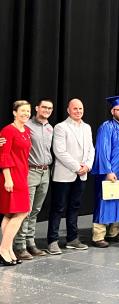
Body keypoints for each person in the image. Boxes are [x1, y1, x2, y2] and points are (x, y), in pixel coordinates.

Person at [47, 99, 94, 254]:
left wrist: (87, 166)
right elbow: (59, 151)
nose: (78, 111)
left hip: (82, 175)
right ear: (68, 110)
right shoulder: (61, 127)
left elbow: (91, 149)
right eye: (75, 109)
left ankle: (72, 239)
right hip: (64, 175)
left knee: (74, 207)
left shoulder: (87, 127)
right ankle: (52, 241)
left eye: (80, 108)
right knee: (58, 207)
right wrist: (77, 167)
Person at [91, 95, 119, 248]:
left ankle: (114, 233)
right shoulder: (106, 127)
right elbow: (102, 151)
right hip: (111, 171)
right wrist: (108, 171)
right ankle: (98, 236)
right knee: (105, 201)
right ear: (112, 111)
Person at [14, 98, 54, 260]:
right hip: (30, 171)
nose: (47, 110)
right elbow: (12, 136)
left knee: (36, 210)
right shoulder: (26, 125)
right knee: (26, 210)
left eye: (50, 108)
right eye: (44, 107)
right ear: (37, 108)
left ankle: (30, 242)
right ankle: (20, 245)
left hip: (45, 172)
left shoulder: (50, 128)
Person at [0, 101, 33, 266]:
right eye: (22, 111)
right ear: (14, 112)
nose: (26, 114)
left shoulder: (26, 131)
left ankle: (8, 250)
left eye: (28, 111)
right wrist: (8, 178)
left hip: (22, 174)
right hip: (12, 176)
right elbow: (4, 155)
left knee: (10, 214)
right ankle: (3, 249)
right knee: (21, 212)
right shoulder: (8, 130)